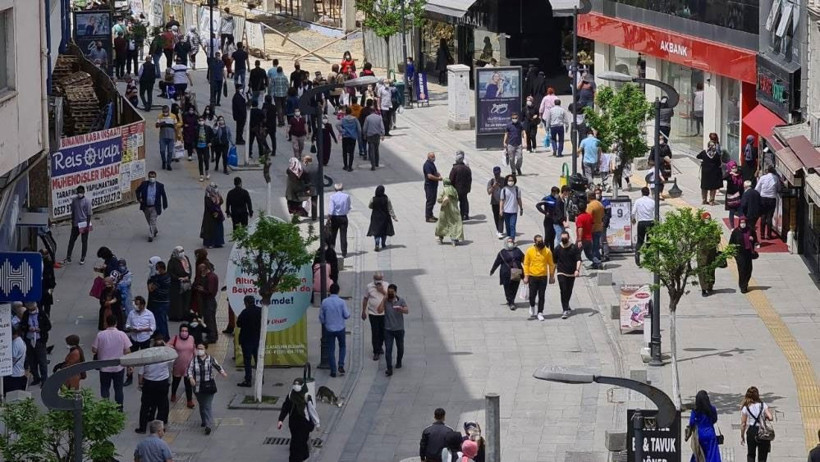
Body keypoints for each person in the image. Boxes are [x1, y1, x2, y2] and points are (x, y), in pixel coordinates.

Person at [92, 314, 132, 410]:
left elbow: (94, 350)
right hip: (118, 367)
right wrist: (129, 366)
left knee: (105, 389)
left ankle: (105, 408)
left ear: (106, 323)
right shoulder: (122, 335)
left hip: (104, 367)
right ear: (116, 323)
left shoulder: (100, 334)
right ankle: (119, 409)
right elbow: (127, 351)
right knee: (118, 390)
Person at [187, 343, 227, 435]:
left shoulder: (210, 359)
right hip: (197, 387)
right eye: (198, 348)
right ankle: (204, 420)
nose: (199, 350)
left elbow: (218, 366)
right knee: (202, 404)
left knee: (207, 405)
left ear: (205, 349)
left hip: (209, 386)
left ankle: (208, 425)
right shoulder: (193, 360)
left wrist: (223, 373)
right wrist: (191, 378)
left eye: (201, 348)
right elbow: (189, 370)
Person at [277, 378, 320, 462]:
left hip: (304, 424)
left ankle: (298, 459)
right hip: (293, 424)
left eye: (298, 384)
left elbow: (312, 411)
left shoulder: (306, 397)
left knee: (298, 443)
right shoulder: (290, 396)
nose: (296, 387)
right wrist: (280, 420)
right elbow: (285, 408)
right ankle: (303, 457)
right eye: (295, 384)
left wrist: (317, 423)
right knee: (298, 442)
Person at [135, 335, 171, 434]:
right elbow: (173, 355)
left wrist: (140, 384)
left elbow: (141, 373)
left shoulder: (147, 356)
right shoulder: (166, 356)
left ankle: (142, 428)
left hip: (149, 384)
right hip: (162, 384)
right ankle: (159, 428)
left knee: (145, 406)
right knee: (162, 407)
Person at [319, 283, 350, 378]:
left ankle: (333, 370)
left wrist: (325, 323)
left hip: (329, 329)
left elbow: (321, 316)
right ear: (338, 291)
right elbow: (346, 315)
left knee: (331, 349)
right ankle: (341, 364)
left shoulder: (324, 302)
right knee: (342, 346)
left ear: (329, 290)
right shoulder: (341, 302)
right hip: (340, 328)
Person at [523, 235, 556, 321]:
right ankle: (532, 305)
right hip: (532, 276)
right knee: (532, 295)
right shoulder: (529, 251)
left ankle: (540, 312)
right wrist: (526, 276)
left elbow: (551, 264)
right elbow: (526, 264)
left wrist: (552, 276)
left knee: (541, 295)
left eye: (541, 241)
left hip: (543, 277)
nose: (540, 243)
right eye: (538, 241)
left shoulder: (547, 251)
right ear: (535, 242)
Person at [490, 238, 525, 310]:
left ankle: (512, 300)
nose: (510, 243)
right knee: (507, 287)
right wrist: (492, 270)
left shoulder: (517, 250)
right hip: (506, 272)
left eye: (511, 241)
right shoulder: (502, 252)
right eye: (509, 242)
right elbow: (497, 262)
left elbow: (524, 260)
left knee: (514, 287)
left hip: (516, 271)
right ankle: (510, 301)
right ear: (506, 243)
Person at [740, 386, 773, 461]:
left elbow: (743, 424)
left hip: (752, 431)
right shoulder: (763, 405)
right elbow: (771, 417)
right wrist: (764, 417)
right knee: (763, 456)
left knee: (751, 454)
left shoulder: (746, 407)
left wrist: (742, 436)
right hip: (763, 430)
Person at [553, 231, 581, 318]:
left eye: (565, 238)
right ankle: (565, 309)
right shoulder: (557, 248)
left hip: (571, 273)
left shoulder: (574, 248)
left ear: (568, 238)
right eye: (562, 238)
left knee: (569, 291)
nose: (563, 239)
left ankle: (567, 304)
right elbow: (554, 262)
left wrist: (577, 270)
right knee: (563, 290)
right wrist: (551, 275)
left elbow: (578, 260)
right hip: (561, 272)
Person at [21, 303, 50, 386]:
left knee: (42, 361)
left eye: (32, 309)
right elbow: (23, 325)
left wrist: (40, 329)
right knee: (32, 361)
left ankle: (44, 379)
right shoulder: (26, 314)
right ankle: (36, 377)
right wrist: (28, 328)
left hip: (39, 340)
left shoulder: (41, 314)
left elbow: (48, 326)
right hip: (29, 339)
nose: (31, 311)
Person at [687, 390, 721, 462]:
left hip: (700, 435)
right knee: (712, 456)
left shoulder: (695, 411)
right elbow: (714, 420)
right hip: (710, 434)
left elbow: (692, 422)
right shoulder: (712, 409)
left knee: (699, 455)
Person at [236, 295, 261, 387]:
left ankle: (248, 380)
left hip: (246, 339)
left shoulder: (245, 312)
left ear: (246, 303)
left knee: (247, 361)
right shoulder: (260, 311)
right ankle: (260, 378)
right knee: (258, 359)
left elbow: (238, 324)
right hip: (257, 339)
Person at [135, 171, 168, 242]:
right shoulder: (144, 184)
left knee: (152, 220)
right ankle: (154, 230)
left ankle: (151, 235)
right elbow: (137, 190)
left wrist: (165, 205)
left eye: (153, 177)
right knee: (149, 220)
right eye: (150, 177)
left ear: (155, 177)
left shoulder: (160, 186)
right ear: (148, 177)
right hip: (146, 206)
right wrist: (139, 198)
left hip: (155, 207)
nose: (152, 178)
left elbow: (164, 195)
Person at [361, 272, 388, 361]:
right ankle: (376, 351)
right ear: (374, 279)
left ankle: (380, 346)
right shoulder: (369, 287)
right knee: (375, 332)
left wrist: (382, 291)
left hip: (384, 313)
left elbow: (391, 298)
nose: (378, 282)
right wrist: (363, 311)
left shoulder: (386, 285)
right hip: (373, 313)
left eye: (379, 279)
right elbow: (365, 299)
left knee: (383, 332)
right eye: (376, 279)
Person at [169, 324, 196, 408]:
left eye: (186, 331)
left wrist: (197, 359)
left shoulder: (191, 338)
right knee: (175, 382)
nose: (184, 332)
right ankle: (173, 394)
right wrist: (172, 347)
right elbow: (168, 345)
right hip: (178, 365)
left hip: (188, 366)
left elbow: (193, 348)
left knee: (188, 384)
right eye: (182, 331)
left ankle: (189, 401)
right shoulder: (175, 338)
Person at [64, 185, 92, 264]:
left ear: (83, 192)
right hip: (76, 223)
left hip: (84, 223)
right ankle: (68, 256)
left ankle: (83, 257)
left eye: (81, 192)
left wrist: (87, 225)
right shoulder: (74, 200)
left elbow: (89, 214)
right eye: (78, 192)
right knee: (72, 240)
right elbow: (73, 211)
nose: (79, 194)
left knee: (84, 241)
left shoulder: (87, 201)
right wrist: (72, 221)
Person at [194, 263, 220, 343]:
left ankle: (212, 337)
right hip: (209, 301)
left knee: (209, 320)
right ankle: (213, 335)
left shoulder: (210, 277)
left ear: (204, 269)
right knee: (210, 319)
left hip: (209, 301)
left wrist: (202, 290)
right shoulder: (211, 276)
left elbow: (210, 291)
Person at [367, 185, 397, 252]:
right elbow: (390, 208)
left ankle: (377, 244)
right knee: (384, 231)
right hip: (385, 217)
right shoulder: (387, 199)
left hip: (375, 217)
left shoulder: (373, 199)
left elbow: (370, 206)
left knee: (377, 232)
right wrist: (394, 217)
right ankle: (383, 244)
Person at [730, 218, 756, 294]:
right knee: (742, 270)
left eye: (744, 222)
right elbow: (731, 243)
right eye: (741, 222)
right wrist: (733, 252)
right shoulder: (736, 231)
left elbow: (756, 240)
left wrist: (752, 239)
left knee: (749, 270)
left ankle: (745, 283)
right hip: (739, 253)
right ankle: (743, 286)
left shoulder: (750, 230)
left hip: (748, 253)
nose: (743, 224)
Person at [435, 179, 465, 246]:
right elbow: (457, 198)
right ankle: (454, 239)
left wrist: (443, 199)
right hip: (454, 209)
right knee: (454, 223)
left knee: (442, 223)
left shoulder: (443, 189)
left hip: (445, 210)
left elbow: (439, 199)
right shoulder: (454, 190)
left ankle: (440, 238)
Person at [535, 186, 565, 252]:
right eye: (555, 193)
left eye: (558, 193)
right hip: (548, 221)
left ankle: (552, 253)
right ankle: (544, 251)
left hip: (555, 221)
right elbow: (538, 205)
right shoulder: (547, 198)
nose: (557, 194)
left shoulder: (558, 199)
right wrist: (545, 212)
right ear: (552, 192)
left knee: (552, 238)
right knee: (547, 237)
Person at [147, 262, 171, 341]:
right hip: (165, 301)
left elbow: (151, 289)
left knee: (160, 321)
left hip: (159, 302)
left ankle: (162, 337)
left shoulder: (160, 279)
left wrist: (150, 281)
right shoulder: (167, 276)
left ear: (161, 268)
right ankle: (166, 336)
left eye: (157, 268)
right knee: (163, 321)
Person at [697, 212, 719, 297]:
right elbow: (695, 240)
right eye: (706, 219)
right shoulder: (700, 228)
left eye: (709, 219)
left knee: (711, 269)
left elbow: (718, 239)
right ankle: (703, 288)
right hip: (702, 253)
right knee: (702, 270)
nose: (707, 220)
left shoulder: (713, 228)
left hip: (712, 252)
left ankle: (710, 286)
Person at [632, 187, 655, 266]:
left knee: (640, 241)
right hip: (650, 222)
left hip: (641, 223)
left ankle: (637, 254)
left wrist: (633, 220)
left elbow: (633, 212)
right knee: (649, 240)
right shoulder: (652, 202)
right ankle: (648, 258)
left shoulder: (638, 201)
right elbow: (656, 213)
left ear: (642, 193)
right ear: (648, 193)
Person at [756, 167, 781, 240]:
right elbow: (779, 188)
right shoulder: (776, 178)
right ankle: (769, 235)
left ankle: (762, 235)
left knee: (763, 216)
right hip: (772, 198)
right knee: (770, 216)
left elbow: (757, 188)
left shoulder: (763, 177)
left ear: (767, 171)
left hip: (763, 198)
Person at [328, 183, 351, 258]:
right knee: (343, 235)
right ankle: (344, 252)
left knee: (333, 235)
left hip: (335, 218)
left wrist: (329, 217)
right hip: (343, 217)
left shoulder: (332, 197)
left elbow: (331, 209)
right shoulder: (346, 196)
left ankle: (331, 250)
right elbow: (348, 207)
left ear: (335, 189)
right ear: (342, 189)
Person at [448, 151, 472, 221]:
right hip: (464, 190)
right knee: (463, 203)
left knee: (454, 203)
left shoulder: (455, 168)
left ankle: (455, 216)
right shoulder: (467, 169)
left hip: (456, 189)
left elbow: (451, 179)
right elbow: (469, 179)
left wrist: (449, 188)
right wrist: (468, 188)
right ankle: (463, 215)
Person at [200, 183, 225, 248]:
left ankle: (218, 242)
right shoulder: (207, 196)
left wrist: (218, 199)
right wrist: (214, 211)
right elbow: (209, 206)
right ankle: (210, 243)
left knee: (218, 229)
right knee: (210, 230)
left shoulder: (217, 194)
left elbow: (221, 201)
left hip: (218, 215)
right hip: (210, 216)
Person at [3, 327, 27, 394]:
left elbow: (12, 360)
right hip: (20, 372)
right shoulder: (21, 341)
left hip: (14, 375)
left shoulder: (15, 344)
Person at [499, 174, 523, 241]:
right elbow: (502, 200)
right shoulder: (504, 190)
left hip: (514, 211)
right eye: (509, 180)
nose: (510, 181)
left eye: (512, 180)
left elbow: (519, 199)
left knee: (512, 225)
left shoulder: (517, 189)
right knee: (508, 226)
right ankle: (509, 237)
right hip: (506, 211)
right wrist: (500, 210)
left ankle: (512, 238)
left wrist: (521, 208)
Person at [485, 166, 506, 239]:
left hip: (503, 202)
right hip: (494, 202)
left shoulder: (504, 180)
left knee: (501, 217)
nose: (497, 175)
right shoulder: (491, 181)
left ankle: (500, 231)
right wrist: (493, 187)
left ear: (500, 172)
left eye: (498, 173)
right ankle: (498, 229)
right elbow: (488, 192)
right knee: (496, 217)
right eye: (495, 174)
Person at [586, 191, 605, 269]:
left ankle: (596, 263)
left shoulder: (590, 206)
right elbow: (603, 215)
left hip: (593, 228)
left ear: (589, 197)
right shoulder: (600, 204)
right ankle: (597, 260)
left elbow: (588, 218)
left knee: (593, 247)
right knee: (596, 246)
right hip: (599, 227)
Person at [156, 106, 178, 171]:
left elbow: (176, 126)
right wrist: (160, 124)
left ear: (169, 111)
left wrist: (177, 135)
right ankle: (163, 161)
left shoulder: (173, 116)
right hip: (163, 137)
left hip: (171, 137)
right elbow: (156, 125)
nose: (165, 113)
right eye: (163, 112)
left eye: (166, 112)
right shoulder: (160, 116)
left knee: (170, 151)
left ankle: (168, 164)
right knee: (162, 151)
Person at [423, 152, 443, 222]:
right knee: (430, 201)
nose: (434, 158)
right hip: (429, 186)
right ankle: (428, 217)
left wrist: (438, 174)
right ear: (429, 157)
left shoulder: (431, 164)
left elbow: (434, 172)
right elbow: (429, 176)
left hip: (433, 186)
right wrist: (438, 179)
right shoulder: (427, 165)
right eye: (432, 157)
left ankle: (431, 215)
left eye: (434, 157)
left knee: (433, 201)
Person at [724, 161, 744, 229]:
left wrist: (736, 174)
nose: (735, 169)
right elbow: (723, 177)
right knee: (731, 212)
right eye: (733, 168)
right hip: (731, 196)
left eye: (735, 167)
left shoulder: (739, 173)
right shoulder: (729, 176)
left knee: (741, 212)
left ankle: (741, 226)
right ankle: (732, 227)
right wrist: (730, 173)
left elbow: (741, 172)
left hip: (739, 196)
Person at [301, 155, 321, 221]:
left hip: (307, 187)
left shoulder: (305, 168)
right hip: (315, 186)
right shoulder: (317, 167)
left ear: (306, 161)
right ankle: (314, 216)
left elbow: (302, 178)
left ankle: (303, 213)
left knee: (302, 200)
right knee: (314, 202)